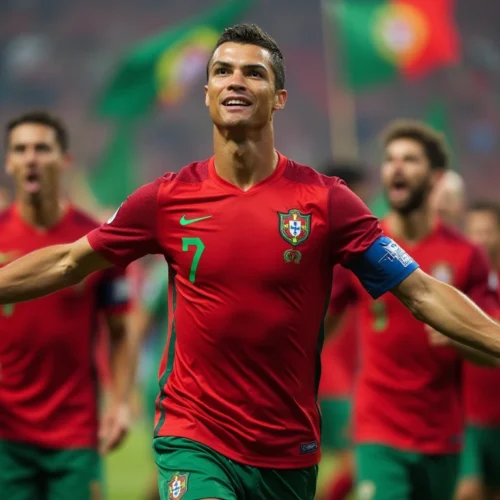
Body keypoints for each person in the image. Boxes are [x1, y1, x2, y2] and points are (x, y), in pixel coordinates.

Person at [0, 27, 499, 500]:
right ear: (207, 93)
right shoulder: (166, 199)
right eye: (222, 71)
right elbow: (68, 262)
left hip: (286, 448)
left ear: (279, 97)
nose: (235, 80)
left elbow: (420, 291)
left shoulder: (326, 202)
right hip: (193, 435)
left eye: (253, 72)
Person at [327, 120, 500, 500]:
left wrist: (458, 337)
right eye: (390, 160)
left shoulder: (466, 254)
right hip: (379, 429)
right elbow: (321, 325)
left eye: (410, 159)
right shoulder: (363, 248)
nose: (397, 167)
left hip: (443, 433)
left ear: (436, 177)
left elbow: (487, 349)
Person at [0, 111, 131, 500]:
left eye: (42, 148)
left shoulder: (96, 241)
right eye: (21, 150)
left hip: (74, 432)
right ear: (8, 162)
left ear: (65, 160)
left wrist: (120, 403)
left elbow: (120, 332)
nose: (31, 158)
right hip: (4, 432)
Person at [317, 163, 370, 500]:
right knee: (361, 459)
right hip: (330, 377)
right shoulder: (343, 249)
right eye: (362, 195)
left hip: (334, 372)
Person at [456, 201, 500, 500]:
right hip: (466, 416)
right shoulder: (456, 286)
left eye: (487, 231)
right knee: (468, 491)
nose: (481, 239)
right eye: (474, 232)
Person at [130, 258, 169, 500]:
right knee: (167, 466)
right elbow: (138, 325)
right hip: (166, 384)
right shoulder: (165, 274)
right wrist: (129, 387)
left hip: (194, 383)